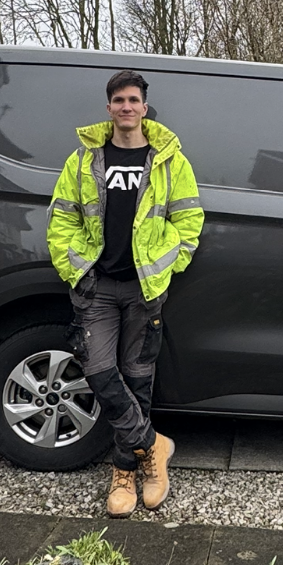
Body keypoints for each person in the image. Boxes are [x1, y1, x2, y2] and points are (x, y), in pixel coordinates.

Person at [46, 70, 203, 517]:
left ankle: (126, 471)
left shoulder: (171, 161)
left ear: (145, 107)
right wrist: (74, 270)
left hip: (144, 288)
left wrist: (170, 265)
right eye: (119, 100)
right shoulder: (83, 160)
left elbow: (189, 222)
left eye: (134, 99)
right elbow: (62, 219)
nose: (127, 107)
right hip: (96, 287)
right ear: (109, 107)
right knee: (97, 371)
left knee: (138, 378)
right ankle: (153, 446)